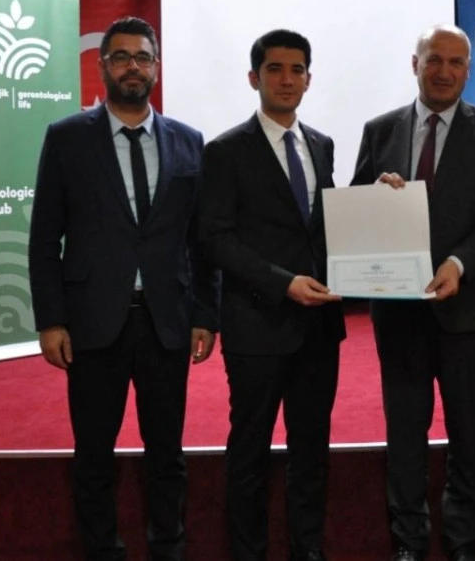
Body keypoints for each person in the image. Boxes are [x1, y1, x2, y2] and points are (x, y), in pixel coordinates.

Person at [28, 16, 218, 561]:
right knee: (94, 452)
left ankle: (168, 548)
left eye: (142, 57)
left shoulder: (188, 141)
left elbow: (201, 240)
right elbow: (45, 237)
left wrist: (206, 314)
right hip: (92, 322)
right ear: (102, 65)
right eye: (121, 57)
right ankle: (102, 550)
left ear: (156, 67)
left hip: (166, 321)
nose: (132, 66)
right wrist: (51, 320)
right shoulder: (67, 138)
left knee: (167, 453)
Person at [351, 25, 475, 561]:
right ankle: (409, 541)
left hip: (469, 311)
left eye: (455, 62)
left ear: (468, 70)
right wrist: (374, 196)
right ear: (415, 64)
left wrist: (458, 264)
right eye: (434, 60)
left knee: (468, 434)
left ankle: (464, 542)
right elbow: (355, 209)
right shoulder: (379, 130)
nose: (444, 71)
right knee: (405, 433)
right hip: (398, 311)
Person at [197, 29, 346, 561]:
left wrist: (381, 196)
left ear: (309, 78)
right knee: (250, 450)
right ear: (253, 77)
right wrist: (282, 282)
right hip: (256, 326)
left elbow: (325, 227)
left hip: (319, 329)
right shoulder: (225, 150)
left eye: (297, 69)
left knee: (312, 450)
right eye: (275, 69)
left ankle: (308, 549)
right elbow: (215, 239)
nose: (287, 79)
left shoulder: (322, 145)